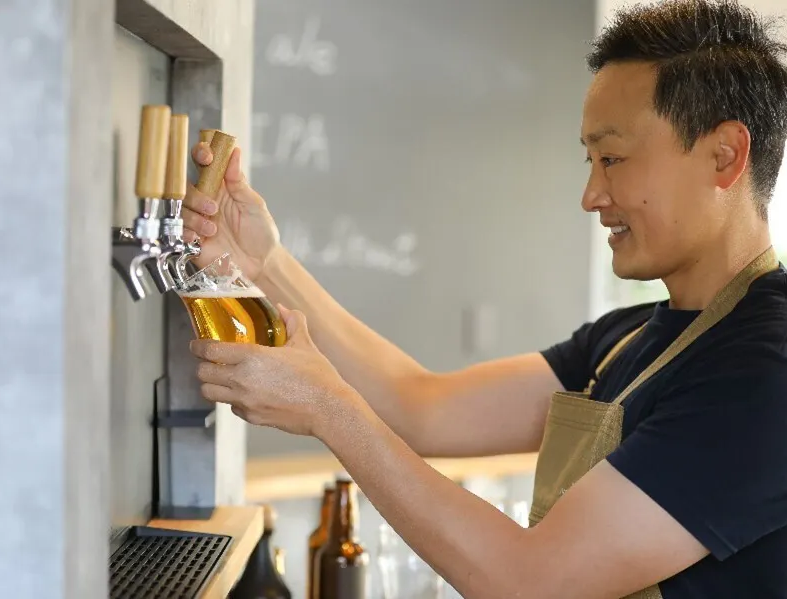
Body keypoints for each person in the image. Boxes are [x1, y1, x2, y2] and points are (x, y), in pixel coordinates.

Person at [181, 1, 787, 597]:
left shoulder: (765, 369)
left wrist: (328, 410)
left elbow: (530, 581)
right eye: (591, 161)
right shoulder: (624, 339)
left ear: (725, 156)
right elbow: (420, 408)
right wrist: (265, 263)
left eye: (613, 159)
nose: (591, 195)